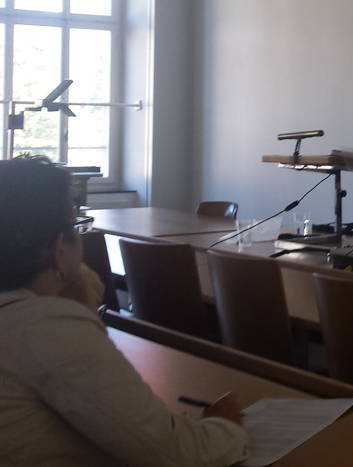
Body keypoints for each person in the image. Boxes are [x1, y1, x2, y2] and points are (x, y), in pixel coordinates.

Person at [0, 157, 249, 467]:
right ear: (58, 248)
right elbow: (176, 453)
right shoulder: (47, 327)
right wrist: (228, 425)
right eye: (78, 226)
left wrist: (82, 315)